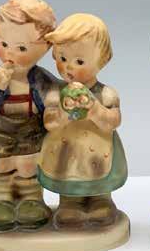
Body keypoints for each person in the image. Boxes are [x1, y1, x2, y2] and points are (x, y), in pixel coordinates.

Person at [0, 0, 58, 232]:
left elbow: (55, 94)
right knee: (0, 164)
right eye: (4, 44)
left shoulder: (39, 78)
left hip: (30, 131)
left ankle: (31, 201)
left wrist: (57, 101)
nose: (10, 53)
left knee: (29, 166)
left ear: (46, 47)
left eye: (21, 48)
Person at [38, 13, 128, 229]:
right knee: (68, 178)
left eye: (79, 61)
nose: (68, 67)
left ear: (101, 61)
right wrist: (63, 113)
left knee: (100, 179)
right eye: (62, 59)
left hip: (99, 151)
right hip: (65, 151)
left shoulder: (106, 94)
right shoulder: (54, 93)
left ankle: (101, 201)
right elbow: (49, 122)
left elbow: (114, 121)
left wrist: (95, 110)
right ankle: (70, 204)